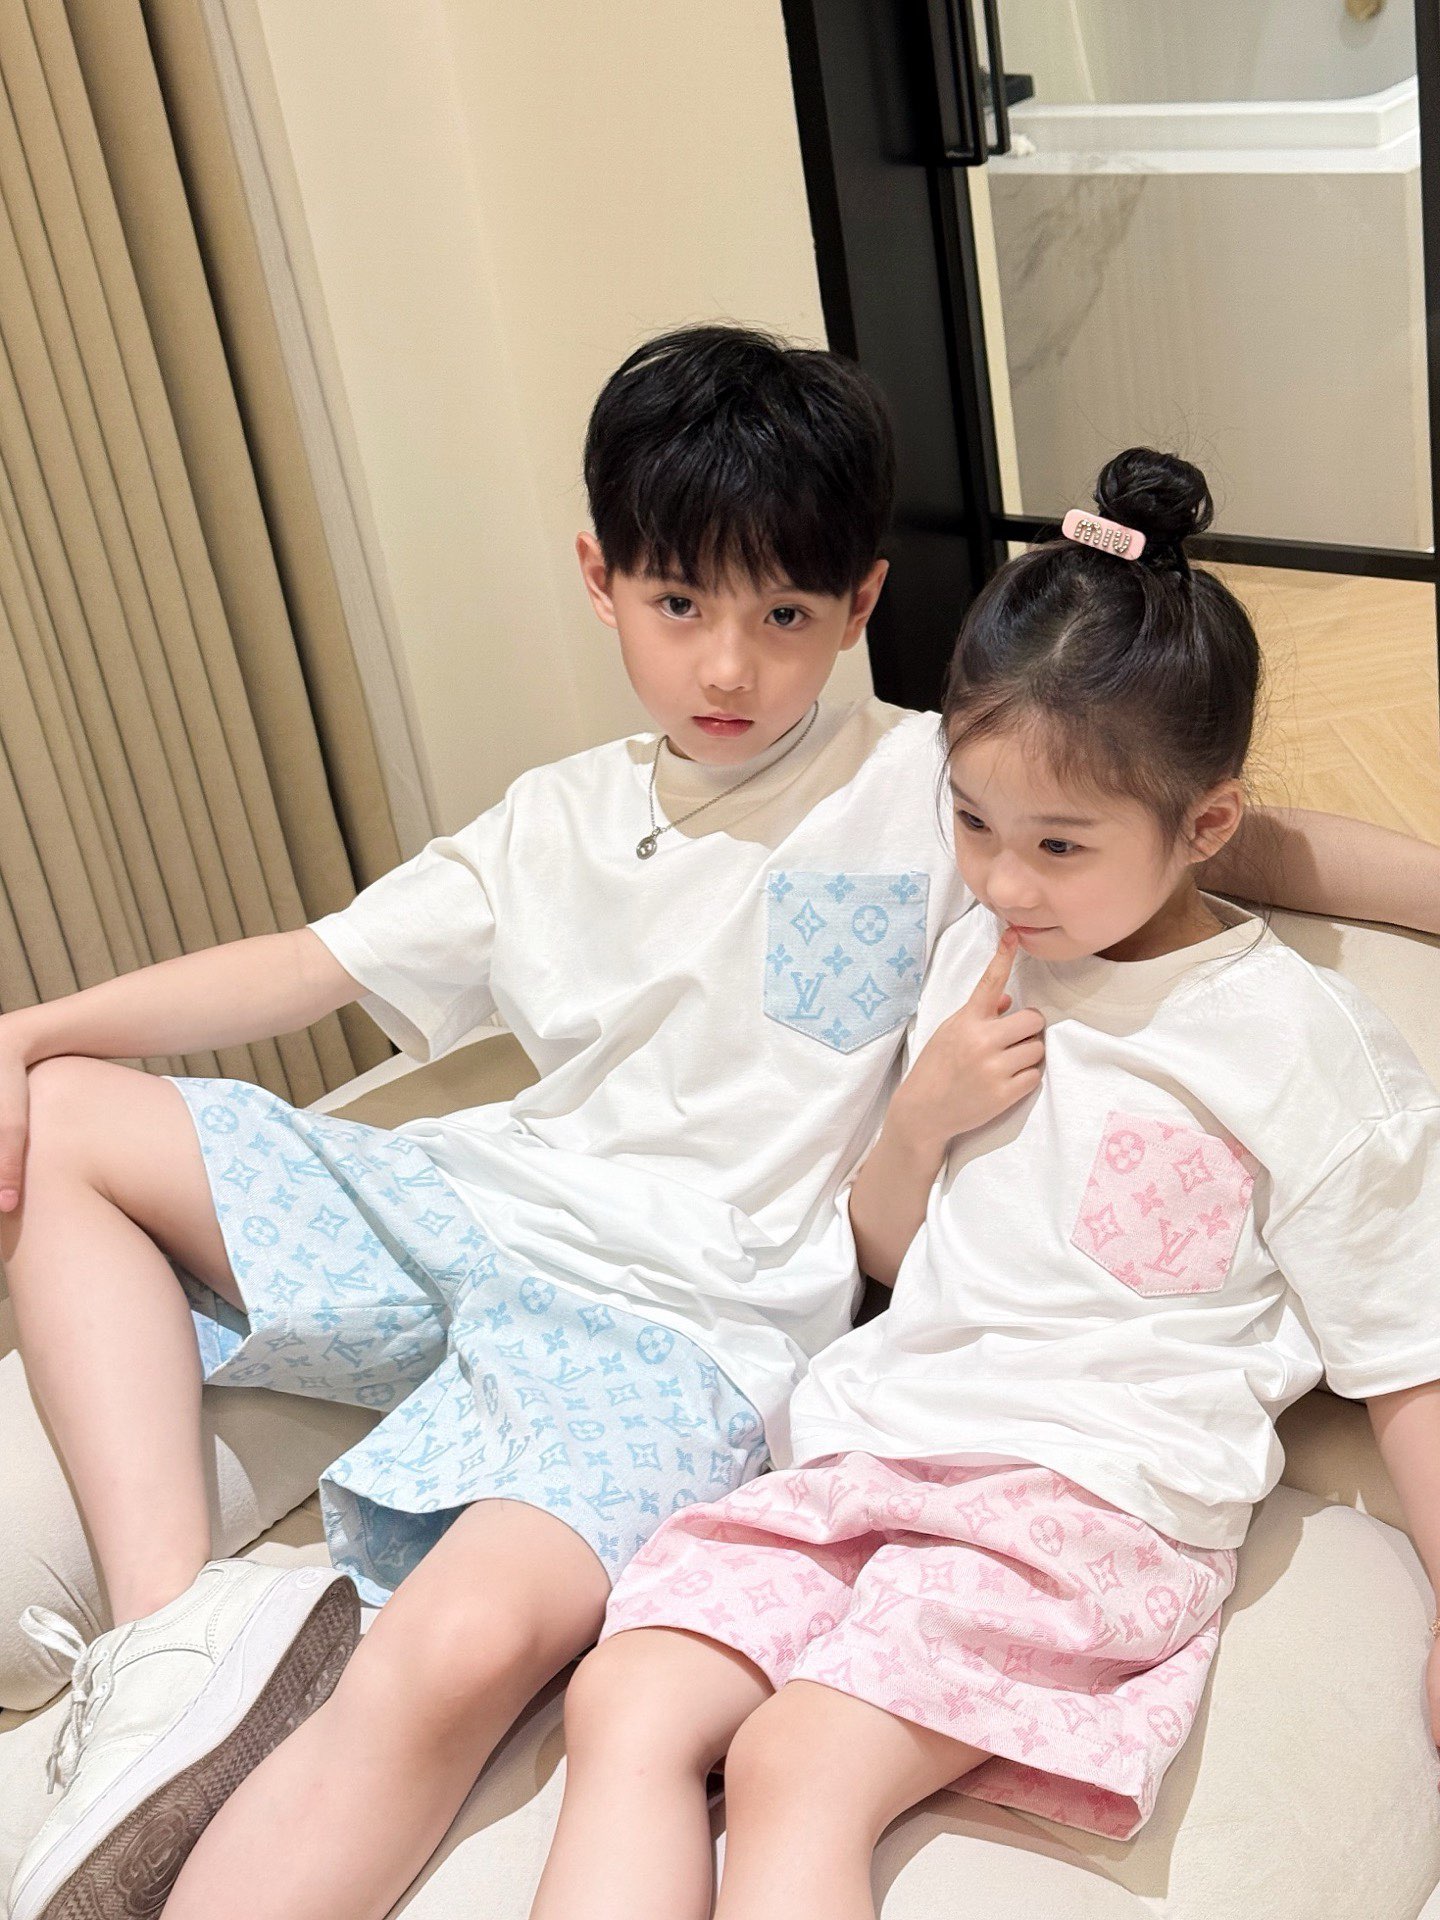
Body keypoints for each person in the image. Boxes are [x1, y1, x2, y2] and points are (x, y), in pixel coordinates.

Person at [1, 336, 1434, 1920]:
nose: (729, 670)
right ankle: (169, 1641)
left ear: (863, 603)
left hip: (691, 1324)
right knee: (61, 1117)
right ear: (600, 580)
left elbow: (1200, 827)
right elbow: (316, 960)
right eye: (680, 605)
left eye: (785, 617)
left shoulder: (935, 789)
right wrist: (36, 1028)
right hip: (481, 1218)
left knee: (492, 1658)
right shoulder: (575, 819)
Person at [530, 450, 1440, 1920]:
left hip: (1088, 1499)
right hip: (872, 1449)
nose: (1006, 881)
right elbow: (884, 1256)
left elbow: (1410, 1352)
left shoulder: (1298, 1048)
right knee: (623, 1698)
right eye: (972, 825)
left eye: (1060, 846)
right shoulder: (983, 955)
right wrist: (921, 1118)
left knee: (792, 1764)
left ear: (1207, 827)